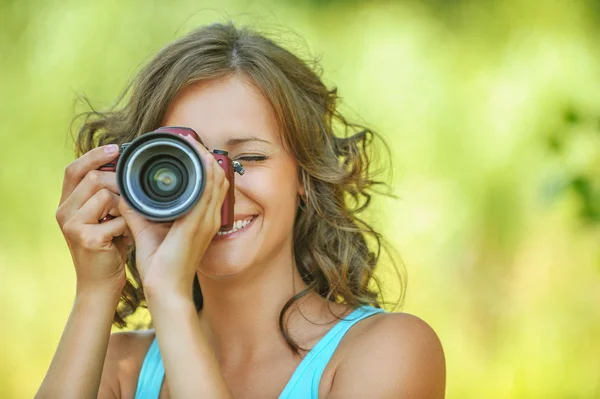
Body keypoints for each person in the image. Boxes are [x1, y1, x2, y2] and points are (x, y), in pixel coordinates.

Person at [36, 22, 446, 398]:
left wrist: (172, 300)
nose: (216, 190)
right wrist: (94, 293)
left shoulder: (386, 352)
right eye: (184, 164)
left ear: (304, 174)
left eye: (247, 158)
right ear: (135, 180)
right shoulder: (118, 368)